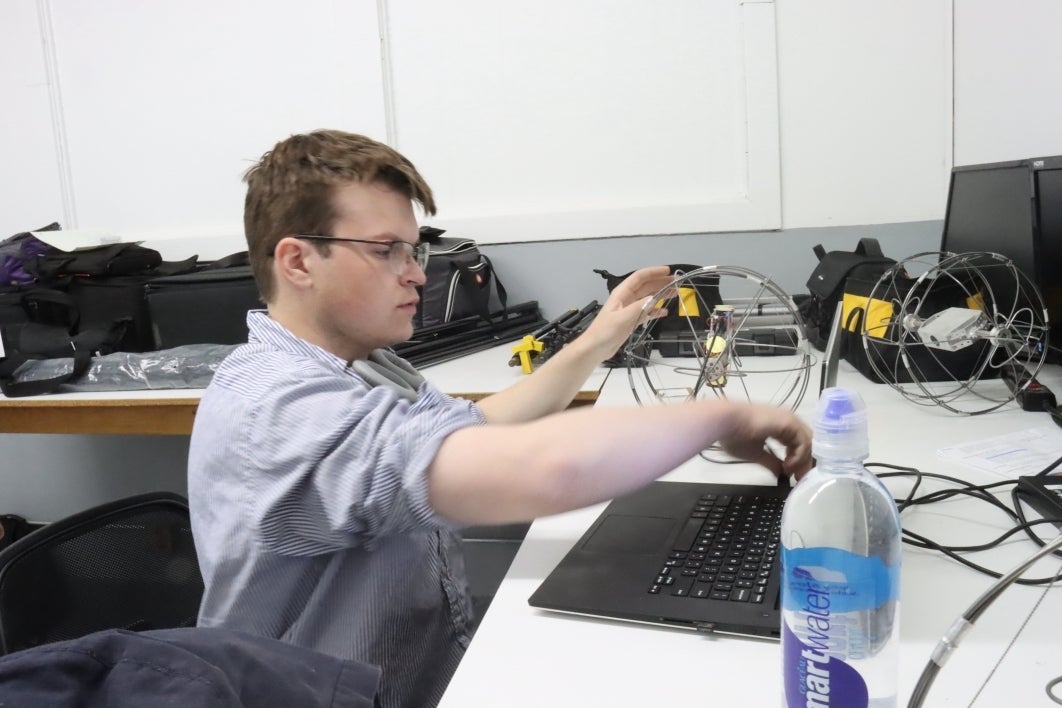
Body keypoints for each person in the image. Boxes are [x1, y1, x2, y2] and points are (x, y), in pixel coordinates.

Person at [187, 129, 812, 708]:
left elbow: (478, 430)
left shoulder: (363, 362)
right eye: (386, 250)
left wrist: (599, 336)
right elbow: (533, 467)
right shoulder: (276, 407)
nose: (415, 272)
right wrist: (722, 417)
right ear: (297, 262)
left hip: (424, 676)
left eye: (414, 249)